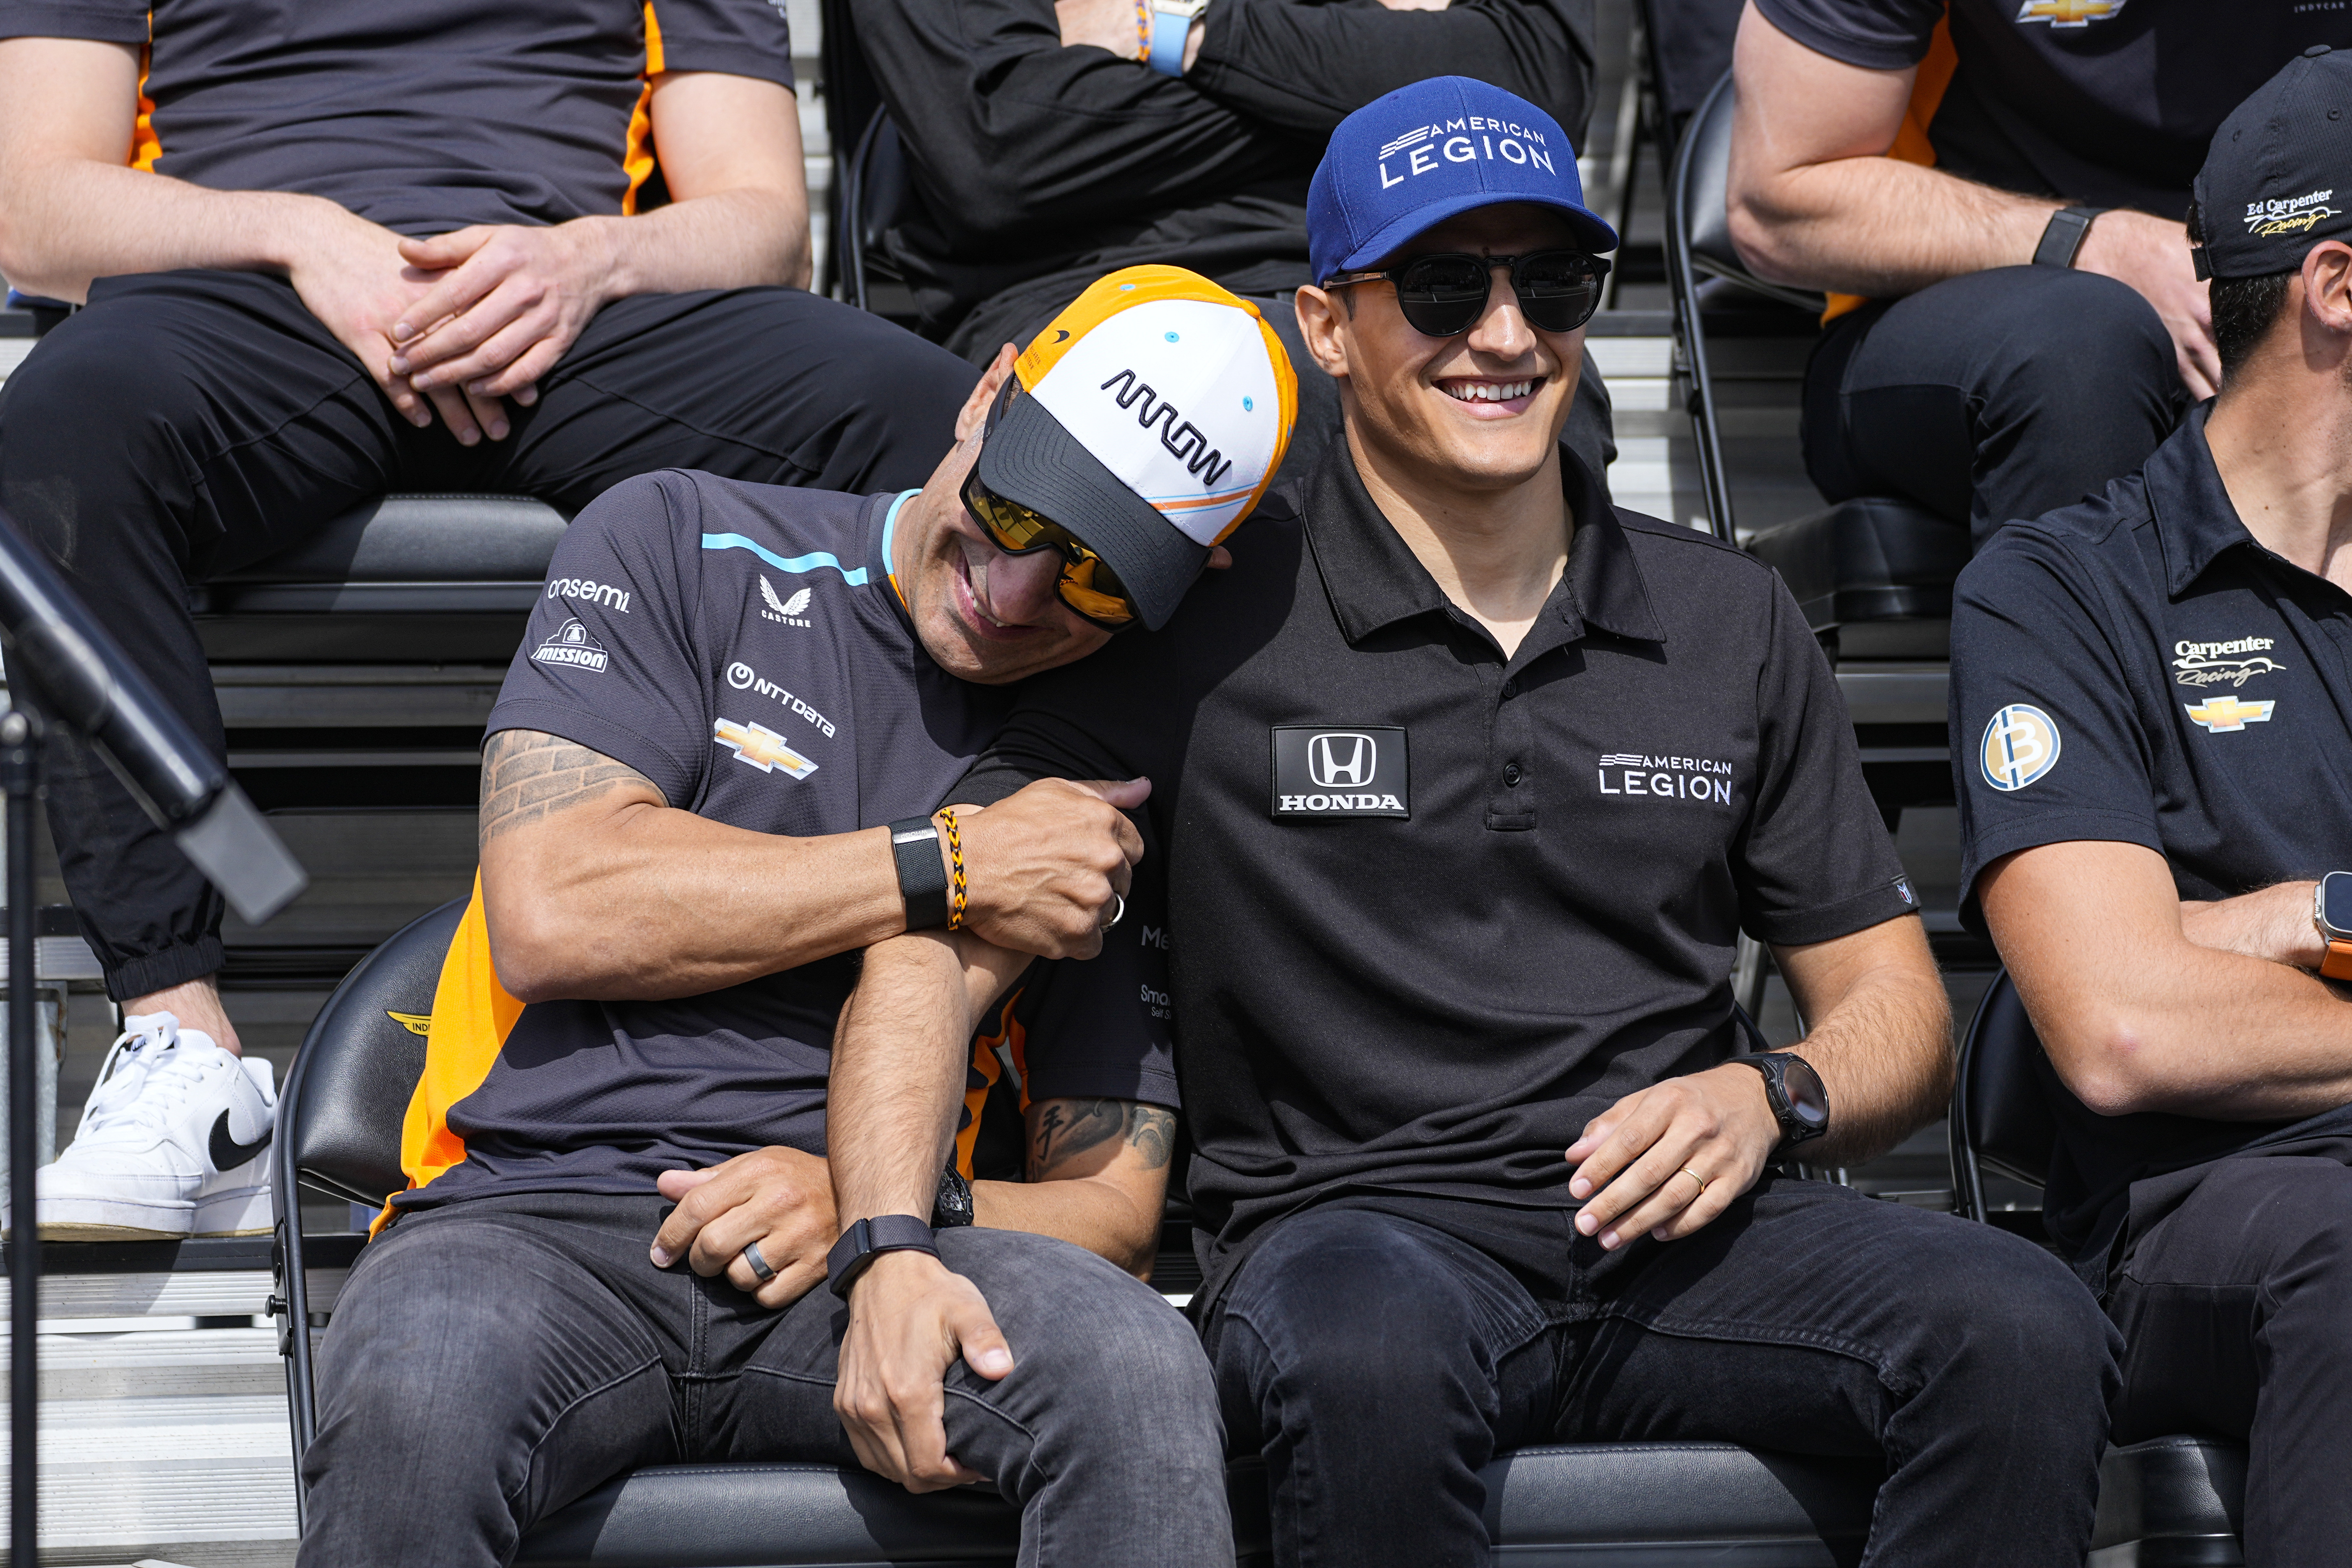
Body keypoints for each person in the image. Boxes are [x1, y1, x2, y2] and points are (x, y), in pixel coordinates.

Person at [833, 77, 2122, 1564]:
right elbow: (934, 946)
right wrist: (887, 1246)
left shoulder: (1731, 612)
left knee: (2022, 1322)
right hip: (1360, 1236)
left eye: (1554, 280)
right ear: (1327, 326)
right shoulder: (1201, 623)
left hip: (1690, 1231)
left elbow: (1895, 1005)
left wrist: (1768, 1092)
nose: (1505, 334)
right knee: (1358, 1354)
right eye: (1443, 286)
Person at [296, 268, 1298, 1566]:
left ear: (1187, 578)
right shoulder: (679, 539)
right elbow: (551, 905)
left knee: (1140, 1366)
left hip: (890, 1248)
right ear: (987, 394)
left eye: (1097, 578)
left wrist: (887, 1209)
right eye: (1011, 508)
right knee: (414, 1376)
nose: (1014, 589)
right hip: (542, 1222)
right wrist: (948, 863)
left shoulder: (1108, 751)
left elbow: (1105, 1208)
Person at [0, 0, 988, 1240]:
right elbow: (34, 212)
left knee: (934, 432)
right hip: (252, 295)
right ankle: (181, 1043)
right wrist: (302, 238)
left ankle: (862, 1027)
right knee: (43, 449)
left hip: (575, 304)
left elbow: (762, 221)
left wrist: (587, 261)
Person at [1952, 50, 2352, 1566]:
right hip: (2203, 1209)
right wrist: (2205, 946)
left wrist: (2255, 929)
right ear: (2336, 281)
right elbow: (2121, 1026)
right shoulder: (2066, 585)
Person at [850, 0, 1613, 488]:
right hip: (1092, 291)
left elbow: (1534, 93)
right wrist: (1365, 80)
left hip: (1399, 266)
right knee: (1202, 393)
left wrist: (1183, 32)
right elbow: (998, 146)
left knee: (1523, 388)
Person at [1727, 0, 2352, 552]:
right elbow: (1777, 202)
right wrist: (2092, 243)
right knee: (2083, 347)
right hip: (1973, 327)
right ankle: (2066, 682)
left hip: (2296, 297)